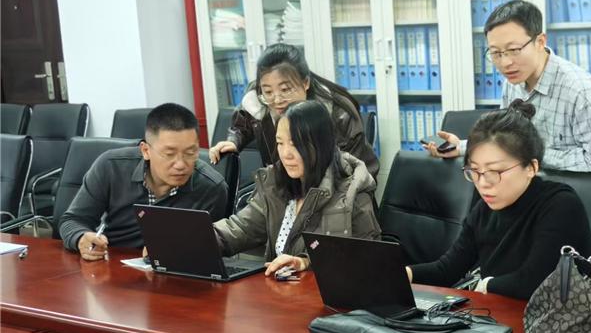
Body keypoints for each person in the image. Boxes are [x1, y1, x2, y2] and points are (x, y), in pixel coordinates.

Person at [407, 101, 591, 300]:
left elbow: (535, 283)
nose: (483, 183)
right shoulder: (484, 210)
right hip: (501, 311)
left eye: (494, 171)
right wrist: (403, 273)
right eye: (475, 171)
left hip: (557, 315)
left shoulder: (561, 205)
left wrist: (486, 285)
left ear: (531, 168)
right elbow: (447, 270)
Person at [426, 0, 591, 173]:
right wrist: (461, 147)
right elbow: (506, 141)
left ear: (540, 42)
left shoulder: (582, 92)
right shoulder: (513, 83)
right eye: (496, 53)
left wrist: (530, 154)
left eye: (514, 50)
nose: (505, 63)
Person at [213, 99, 380, 277]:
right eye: (280, 143)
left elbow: (367, 261)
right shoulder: (275, 183)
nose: (286, 154)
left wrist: (306, 262)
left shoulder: (353, 193)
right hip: (280, 290)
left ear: (321, 144)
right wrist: (200, 237)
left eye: (295, 144)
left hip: (327, 292)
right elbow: (240, 229)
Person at [60, 103, 228, 261]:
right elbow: (72, 220)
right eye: (169, 154)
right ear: (146, 150)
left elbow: (214, 247)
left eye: (190, 153)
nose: (180, 164)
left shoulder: (211, 188)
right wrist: (80, 237)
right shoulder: (111, 167)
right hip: (111, 263)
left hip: (176, 272)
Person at [208, 43, 379, 180]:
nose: (277, 100)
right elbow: (243, 121)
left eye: (285, 89)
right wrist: (234, 141)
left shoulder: (337, 113)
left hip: (337, 198)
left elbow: (359, 172)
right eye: (268, 91)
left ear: (305, 83)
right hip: (284, 192)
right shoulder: (258, 99)